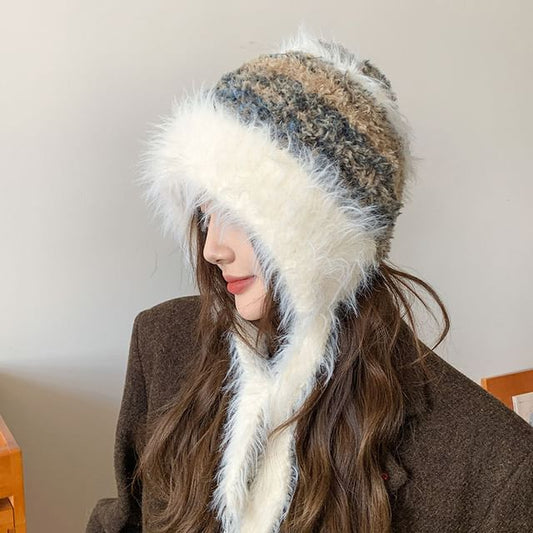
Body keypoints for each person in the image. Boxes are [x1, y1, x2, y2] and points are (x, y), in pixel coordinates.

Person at [86, 27, 533, 533]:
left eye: (238, 213)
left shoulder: (494, 468)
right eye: (206, 212)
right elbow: (123, 519)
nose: (212, 249)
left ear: (323, 233)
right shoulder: (162, 344)